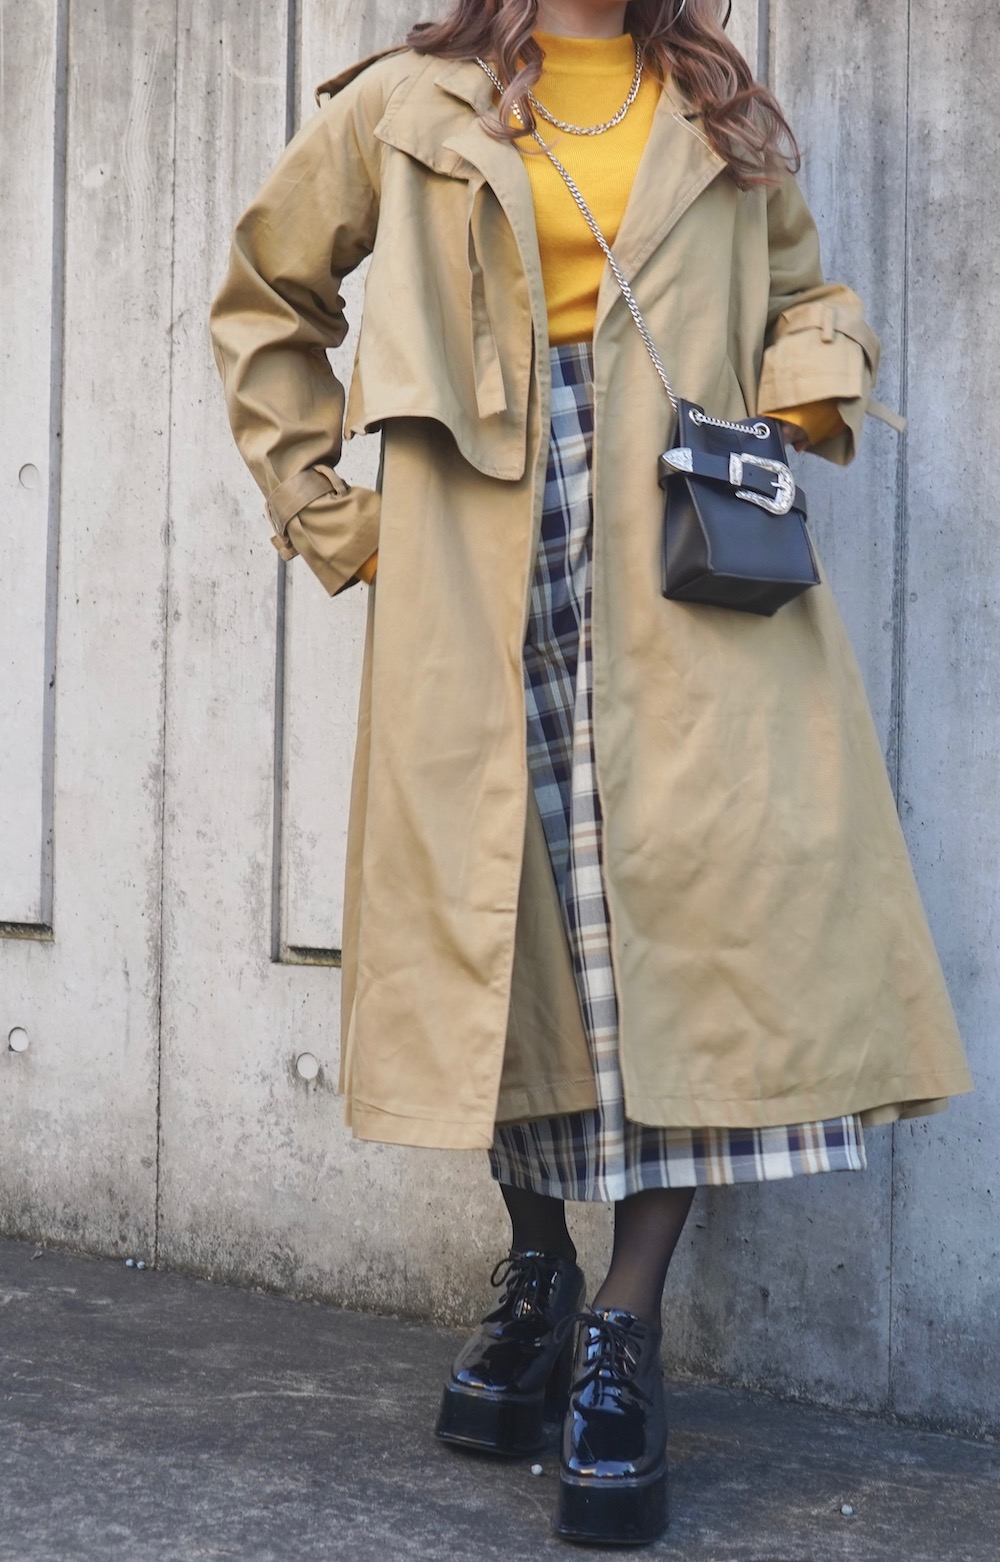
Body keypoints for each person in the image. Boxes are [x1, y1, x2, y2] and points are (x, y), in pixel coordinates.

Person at [210, 0, 972, 1545]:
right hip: (476, 560)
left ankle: (625, 1320)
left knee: (683, 939)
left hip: (678, 562)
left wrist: (801, 380)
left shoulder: (708, 101)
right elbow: (265, 294)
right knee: (509, 928)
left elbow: (805, 287)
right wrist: (328, 510)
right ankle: (539, 1269)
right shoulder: (404, 102)